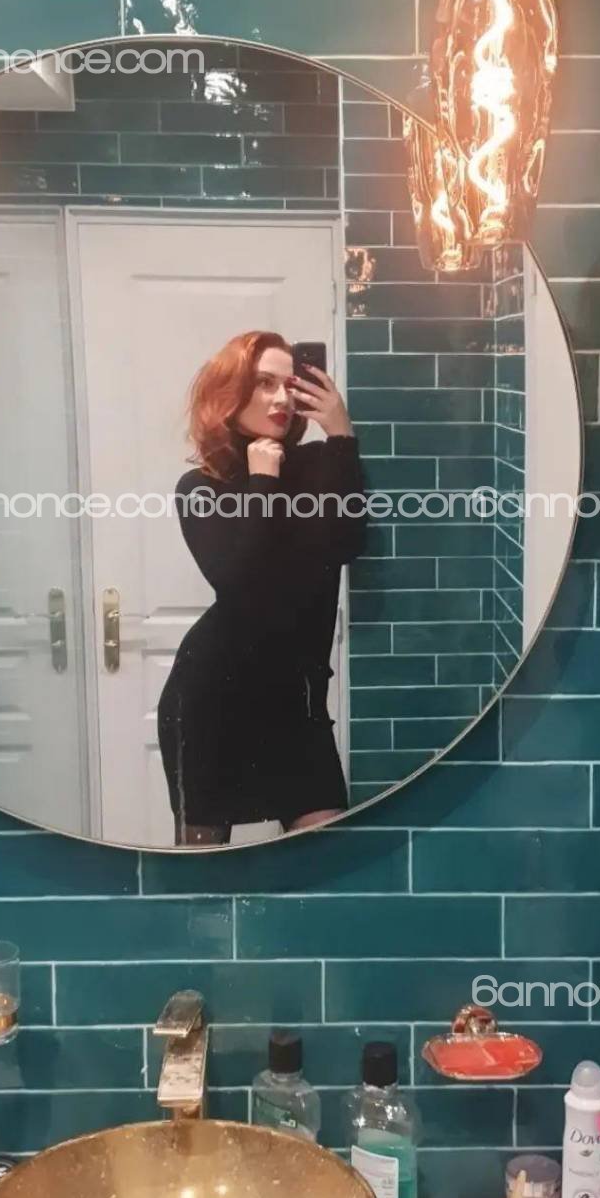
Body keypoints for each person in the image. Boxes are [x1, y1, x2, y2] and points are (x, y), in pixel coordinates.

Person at [158, 329, 366, 846]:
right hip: (212, 702)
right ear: (229, 394)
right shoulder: (201, 487)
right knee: (204, 872)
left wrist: (341, 436)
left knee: (325, 855)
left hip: (298, 705)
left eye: (288, 385)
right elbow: (239, 583)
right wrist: (262, 483)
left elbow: (347, 544)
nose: (280, 399)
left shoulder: (318, 466)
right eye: (263, 384)